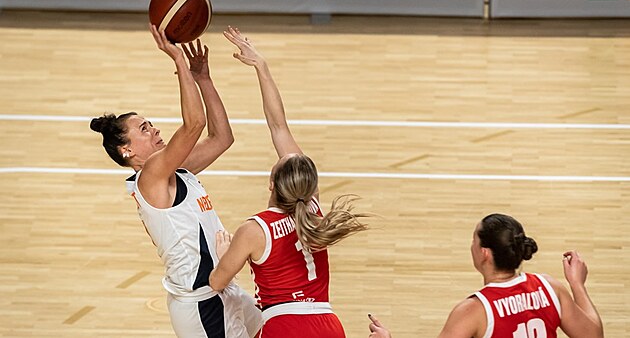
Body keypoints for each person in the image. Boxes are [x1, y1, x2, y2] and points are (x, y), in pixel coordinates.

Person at [90, 25, 262, 338]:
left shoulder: (176, 171)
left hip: (225, 288)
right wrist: (179, 61)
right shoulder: (150, 177)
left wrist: (203, 78)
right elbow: (194, 123)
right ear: (126, 150)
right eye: (144, 129)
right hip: (201, 304)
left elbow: (222, 137)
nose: (154, 130)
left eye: (151, 124)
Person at [207, 26, 371, 338]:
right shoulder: (313, 210)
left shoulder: (254, 229)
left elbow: (217, 282)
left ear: (271, 183)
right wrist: (261, 67)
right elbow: (279, 126)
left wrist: (222, 253)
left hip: (284, 326)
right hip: (329, 324)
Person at [368, 213, 604, 338]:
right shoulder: (549, 287)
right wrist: (577, 284)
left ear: (484, 253)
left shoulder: (473, 311)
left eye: (473, 240)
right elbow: (593, 335)